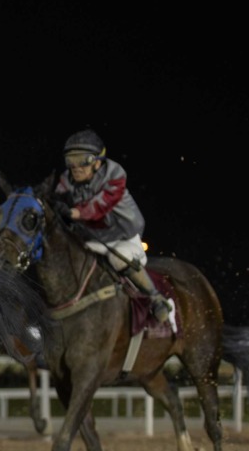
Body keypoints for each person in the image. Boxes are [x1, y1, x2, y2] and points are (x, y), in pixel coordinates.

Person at [51, 128, 173, 324]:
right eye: (70, 160)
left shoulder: (115, 175)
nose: (76, 167)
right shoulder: (67, 180)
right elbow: (58, 197)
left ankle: (155, 297)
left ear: (98, 162)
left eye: (83, 160)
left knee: (120, 260)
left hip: (122, 236)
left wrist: (73, 213)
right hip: (92, 237)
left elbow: (99, 206)